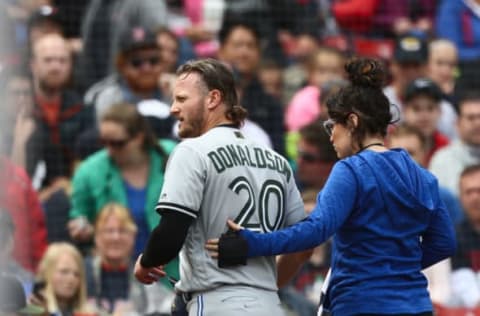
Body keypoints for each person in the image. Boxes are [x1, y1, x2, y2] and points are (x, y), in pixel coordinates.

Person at [206, 57, 456, 315]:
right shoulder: (423, 176)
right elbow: (444, 242)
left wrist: (251, 243)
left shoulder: (351, 170)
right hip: (416, 306)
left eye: (332, 125)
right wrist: (397, 269)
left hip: (360, 306)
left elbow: (316, 231)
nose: (331, 135)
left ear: (352, 122)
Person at [134, 58, 308, 315]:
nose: (173, 108)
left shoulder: (192, 151)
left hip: (216, 302)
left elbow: (171, 232)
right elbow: (304, 244)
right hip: (270, 306)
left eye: (182, 99)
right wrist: (266, 288)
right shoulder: (278, 161)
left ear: (213, 98)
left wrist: (146, 262)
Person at [85, 203, 174, 315]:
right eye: (109, 231)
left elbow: (169, 307)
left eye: (122, 231)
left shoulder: (146, 272)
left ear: (133, 235)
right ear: (96, 236)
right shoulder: (81, 272)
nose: (116, 237)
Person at [33, 242, 94, 316]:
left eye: (77, 274)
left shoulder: (89, 313)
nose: (71, 279)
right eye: (64, 272)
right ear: (46, 272)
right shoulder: (31, 309)